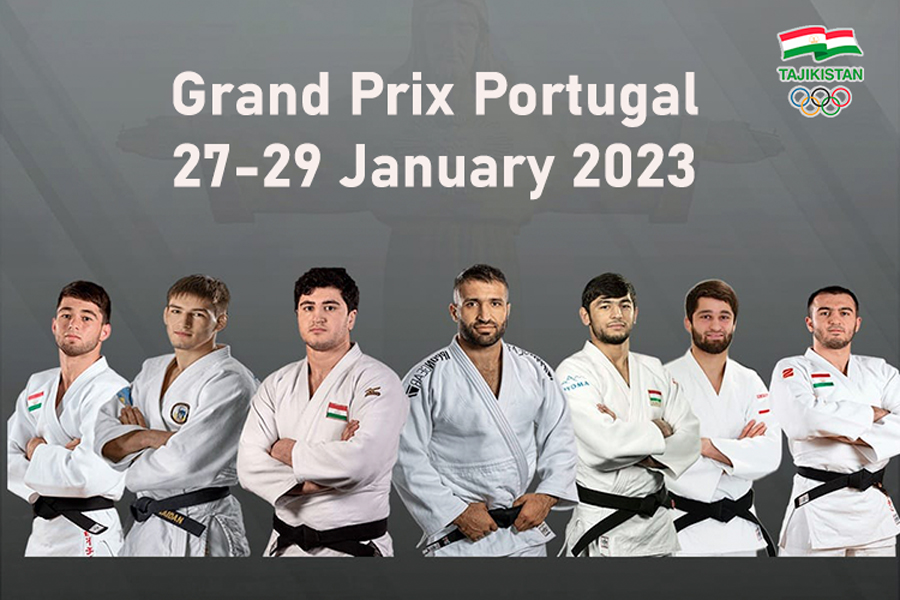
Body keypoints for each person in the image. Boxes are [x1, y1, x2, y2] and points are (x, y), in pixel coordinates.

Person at [392, 264, 577, 557]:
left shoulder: (534, 369)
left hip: (522, 531)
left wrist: (547, 495)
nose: (484, 315)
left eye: (495, 303)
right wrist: (455, 511)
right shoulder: (425, 377)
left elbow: (561, 434)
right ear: (454, 311)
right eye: (472, 304)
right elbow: (403, 455)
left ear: (507, 310)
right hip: (458, 535)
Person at [237, 268, 408, 557]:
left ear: (351, 317)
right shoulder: (277, 383)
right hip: (285, 546)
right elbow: (248, 467)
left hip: (354, 549)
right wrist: (319, 480)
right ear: (298, 315)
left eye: (329, 307)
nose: (317, 317)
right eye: (308, 307)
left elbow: (361, 462)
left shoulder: (378, 380)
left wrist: (286, 451)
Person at [94, 275, 257, 556]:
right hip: (147, 525)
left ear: (220, 322)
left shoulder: (231, 381)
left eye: (198, 314)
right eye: (176, 311)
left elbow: (184, 461)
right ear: (165, 315)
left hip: (201, 523)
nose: (184, 323)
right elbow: (103, 430)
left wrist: (130, 454)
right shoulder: (151, 370)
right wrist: (149, 437)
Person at [557, 273, 700, 557]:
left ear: (635, 313)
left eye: (624, 305)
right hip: (604, 525)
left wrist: (628, 437)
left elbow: (691, 440)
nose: (617, 314)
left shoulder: (654, 369)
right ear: (585, 316)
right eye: (605, 306)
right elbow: (605, 447)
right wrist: (659, 431)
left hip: (657, 527)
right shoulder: (573, 372)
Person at [771, 286, 900, 557]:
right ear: (810, 323)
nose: (835, 319)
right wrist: (871, 414)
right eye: (825, 312)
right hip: (817, 504)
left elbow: (814, 421)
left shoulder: (881, 371)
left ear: (857, 323)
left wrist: (832, 427)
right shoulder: (792, 368)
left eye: (845, 312)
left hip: (873, 510)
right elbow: (802, 420)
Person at [7, 281, 128, 556]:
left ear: (104, 331)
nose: (73, 324)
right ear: (54, 324)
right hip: (42, 531)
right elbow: (7, 459)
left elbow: (87, 475)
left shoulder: (113, 391)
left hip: (90, 532)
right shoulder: (38, 384)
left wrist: (36, 451)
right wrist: (63, 457)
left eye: (87, 317)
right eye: (66, 315)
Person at [664, 280, 781, 557]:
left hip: (739, 531)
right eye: (706, 316)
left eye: (724, 317)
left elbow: (770, 454)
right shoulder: (663, 379)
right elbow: (659, 456)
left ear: (734, 324)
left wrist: (703, 445)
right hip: (682, 530)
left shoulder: (750, 380)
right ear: (688, 322)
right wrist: (736, 453)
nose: (716, 325)